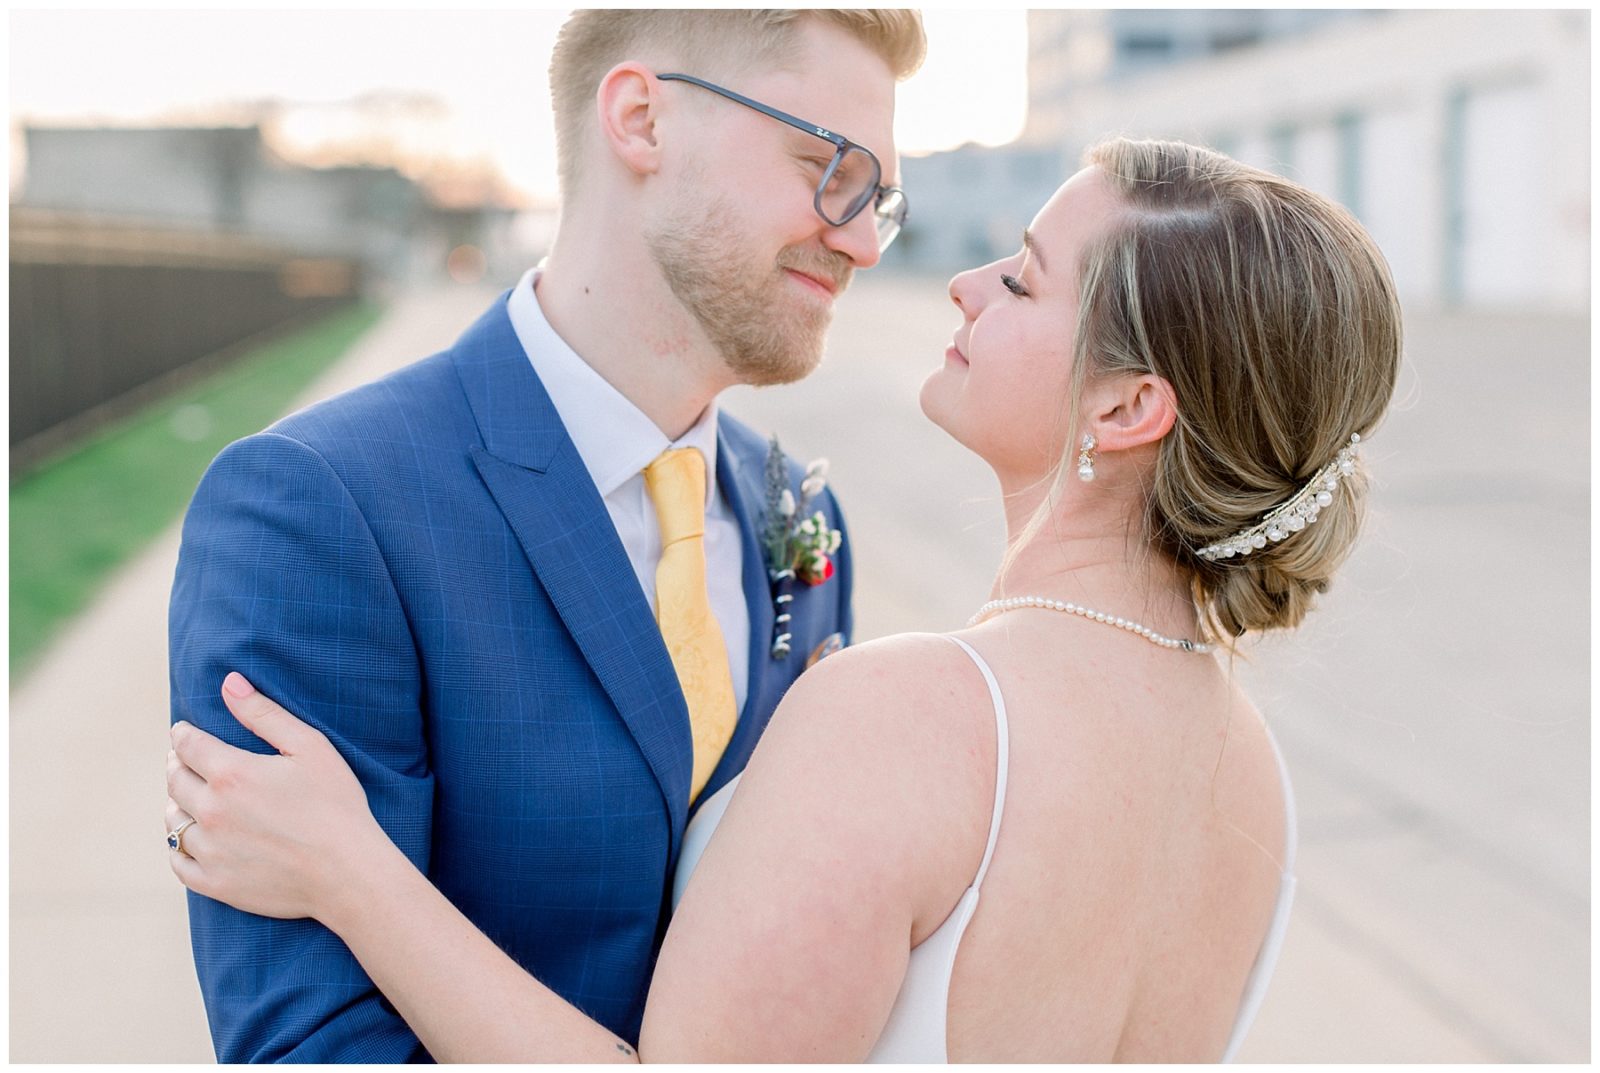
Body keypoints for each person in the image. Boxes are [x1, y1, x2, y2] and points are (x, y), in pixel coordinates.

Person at [166, 138, 1402, 1061]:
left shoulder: (917, 713)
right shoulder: (1251, 776)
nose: (964, 283)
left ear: (1126, 409)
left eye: (1024, 281)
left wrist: (352, 871)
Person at [165, 9, 927, 1062]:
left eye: (876, 196)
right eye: (826, 166)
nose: (860, 240)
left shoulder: (801, 514)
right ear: (642, 118)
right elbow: (315, 1044)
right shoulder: (321, 504)